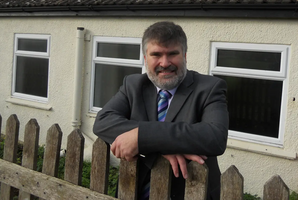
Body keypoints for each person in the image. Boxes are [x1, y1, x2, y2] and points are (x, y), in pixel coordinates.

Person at [93, 21, 229, 199]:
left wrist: (141, 137)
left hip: (191, 193)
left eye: (172, 54)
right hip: (134, 192)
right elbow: (103, 122)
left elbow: (215, 137)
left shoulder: (210, 88)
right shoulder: (133, 85)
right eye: (156, 54)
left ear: (185, 55)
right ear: (145, 58)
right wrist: (162, 146)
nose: (164, 63)